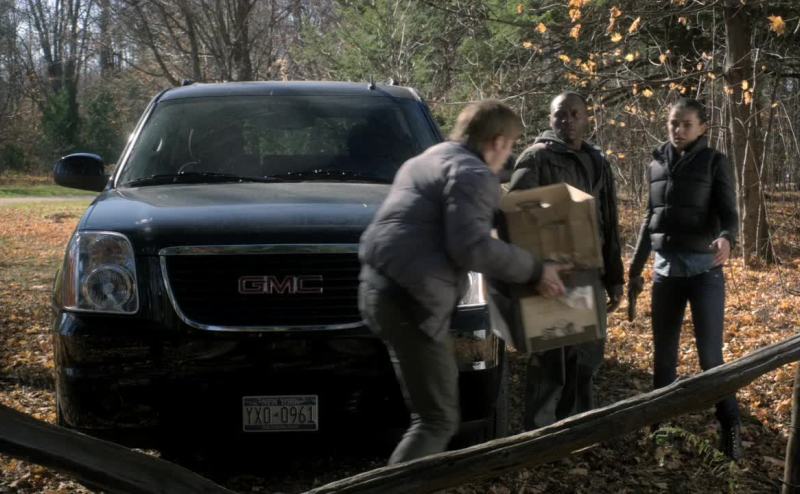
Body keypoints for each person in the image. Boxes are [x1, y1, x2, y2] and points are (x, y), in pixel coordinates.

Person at [358, 100, 568, 464]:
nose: (508, 156)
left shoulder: (427, 159)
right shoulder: (474, 174)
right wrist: (536, 270)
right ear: (497, 141)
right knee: (437, 420)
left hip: (377, 290)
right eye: (510, 145)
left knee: (428, 412)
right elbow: (472, 247)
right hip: (411, 301)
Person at [628, 97, 742, 460]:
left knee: (711, 358)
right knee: (664, 358)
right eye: (673, 123)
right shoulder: (656, 162)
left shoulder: (714, 162)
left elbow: (729, 214)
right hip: (666, 273)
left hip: (704, 272)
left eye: (686, 124)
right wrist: (635, 268)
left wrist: (727, 238)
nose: (678, 130)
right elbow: (650, 219)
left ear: (702, 127)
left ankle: (730, 428)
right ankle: (660, 433)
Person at [508, 91, 624, 430]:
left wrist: (614, 277)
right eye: (560, 114)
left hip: (590, 274)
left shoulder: (597, 161)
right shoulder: (536, 158)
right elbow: (517, 218)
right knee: (551, 365)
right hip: (553, 278)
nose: (567, 120)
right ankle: (541, 437)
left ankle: (576, 432)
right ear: (550, 118)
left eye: (575, 113)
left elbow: (609, 222)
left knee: (586, 360)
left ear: (587, 118)